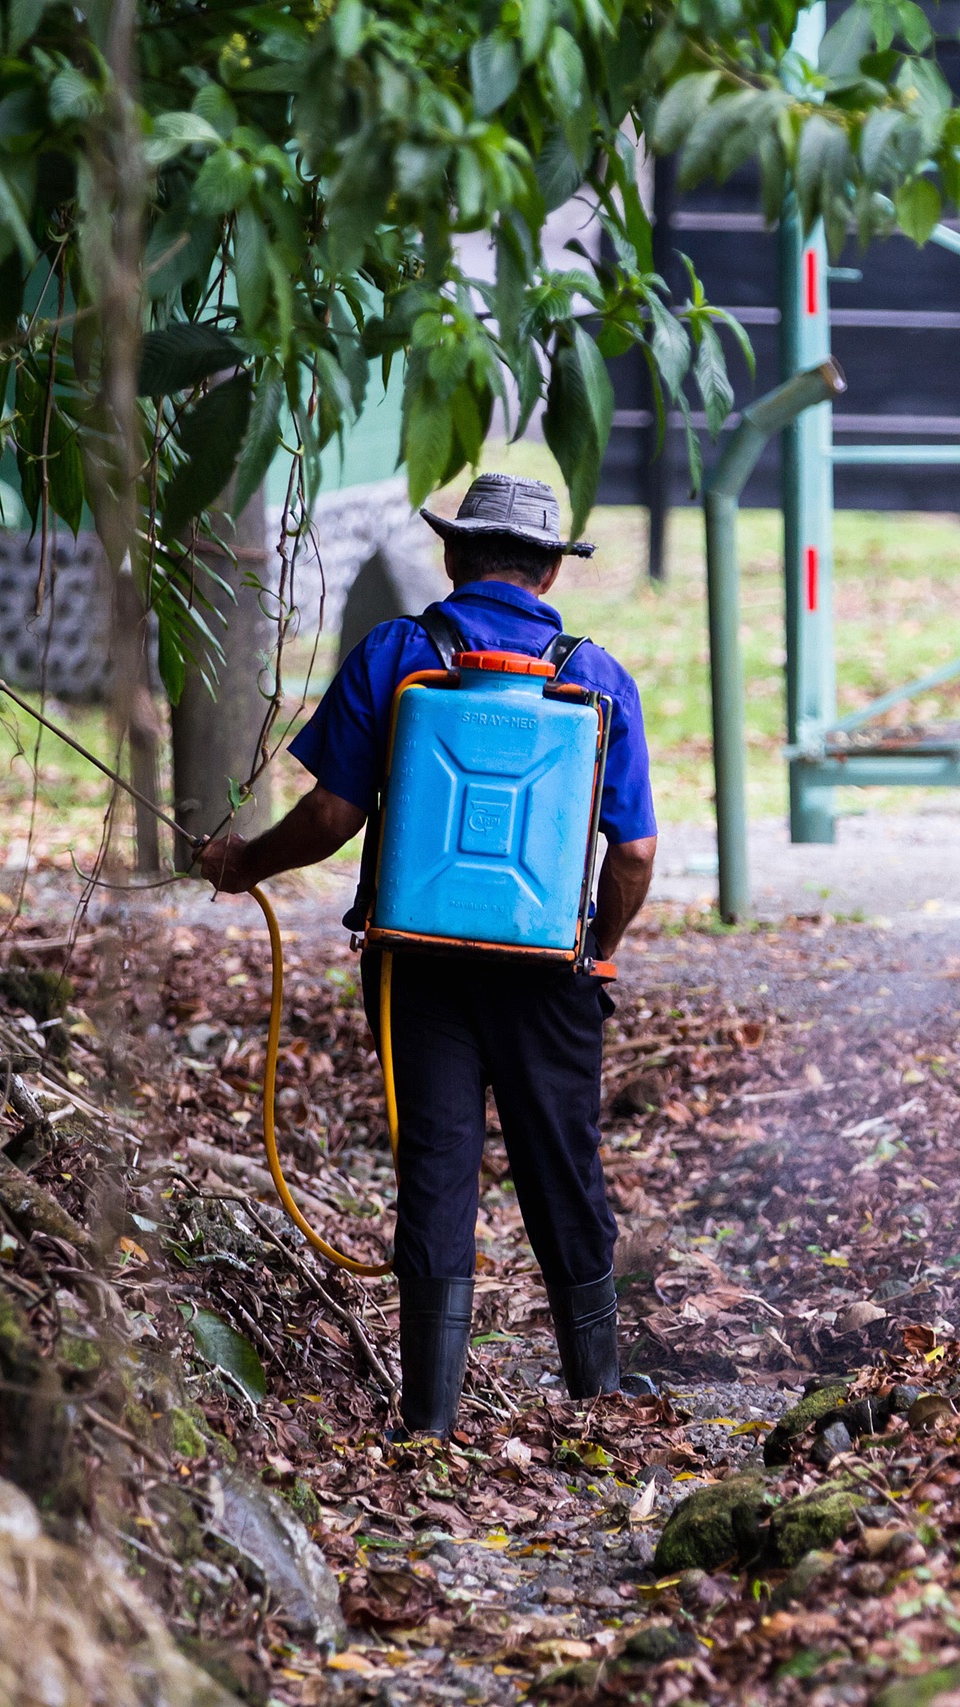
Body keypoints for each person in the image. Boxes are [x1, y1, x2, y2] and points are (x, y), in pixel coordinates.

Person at [197, 473, 658, 1435]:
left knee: (436, 1168)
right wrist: (598, 953)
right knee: (562, 1167)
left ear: (453, 557)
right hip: (550, 975)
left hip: (419, 969)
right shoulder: (597, 678)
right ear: (545, 570)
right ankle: (599, 1393)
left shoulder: (400, 652)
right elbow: (637, 850)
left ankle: (429, 1419)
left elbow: (331, 814)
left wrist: (247, 863)